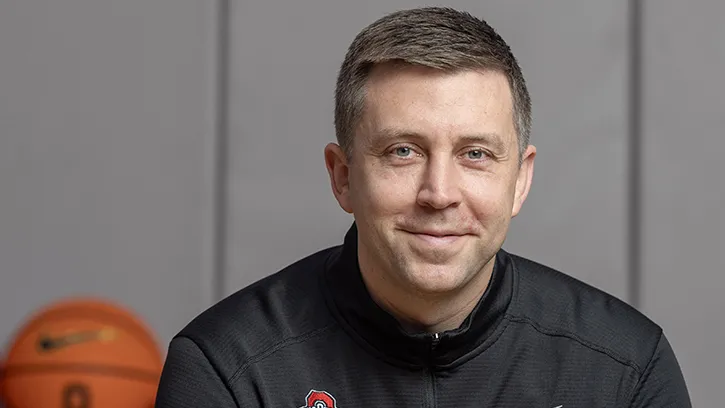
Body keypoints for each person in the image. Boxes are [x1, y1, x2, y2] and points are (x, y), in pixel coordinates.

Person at [155, 7, 691, 407]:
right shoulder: (228, 369)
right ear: (343, 178)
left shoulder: (625, 371)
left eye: (475, 154)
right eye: (403, 151)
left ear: (520, 180)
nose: (439, 193)